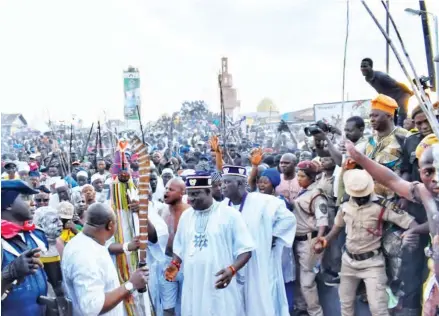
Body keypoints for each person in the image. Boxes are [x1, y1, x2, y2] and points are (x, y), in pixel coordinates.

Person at [313, 169, 418, 316]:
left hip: (373, 264)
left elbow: (410, 222)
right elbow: (337, 228)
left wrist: (412, 233)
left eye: (363, 195)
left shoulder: (381, 206)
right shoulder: (345, 205)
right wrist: (325, 241)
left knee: (378, 309)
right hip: (348, 262)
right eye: (357, 196)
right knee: (346, 305)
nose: (360, 199)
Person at [165, 172, 254, 316]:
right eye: (189, 194)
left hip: (219, 280)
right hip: (193, 281)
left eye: (196, 194)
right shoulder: (186, 216)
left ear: (209, 192)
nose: (191, 199)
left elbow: (246, 250)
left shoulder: (230, 215)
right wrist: (174, 265)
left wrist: (232, 270)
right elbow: (180, 246)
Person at [221, 165, 296, 316]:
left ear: (241, 184)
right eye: (222, 183)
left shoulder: (264, 202)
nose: (223, 186)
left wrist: (271, 237)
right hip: (232, 263)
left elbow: (288, 219)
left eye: (227, 182)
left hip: (259, 262)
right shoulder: (222, 207)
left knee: (260, 301)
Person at [61, 203, 149, 316]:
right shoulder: (85, 256)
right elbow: (92, 307)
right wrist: (131, 284)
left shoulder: (86, 242)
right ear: (110, 225)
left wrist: (127, 246)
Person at [1, 180, 48, 315]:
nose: (33, 203)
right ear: (8, 203)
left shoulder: (37, 234)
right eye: (26, 198)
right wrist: (8, 274)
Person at [159, 178, 190, 316]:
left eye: (171, 189)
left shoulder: (190, 212)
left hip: (185, 265)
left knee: (187, 306)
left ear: (182, 192)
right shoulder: (161, 211)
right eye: (166, 188)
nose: (166, 191)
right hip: (167, 263)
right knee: (167, 308)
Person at [360, 57, 413, 126]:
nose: (363, 68)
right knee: (391, 118)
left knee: (401, 119)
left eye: (365, 66)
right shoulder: (367, 78)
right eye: (361, 66)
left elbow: (398, 84)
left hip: (402, 95)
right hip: (391, 99)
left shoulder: (381, 76)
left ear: (371, 67)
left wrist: (410, 92)